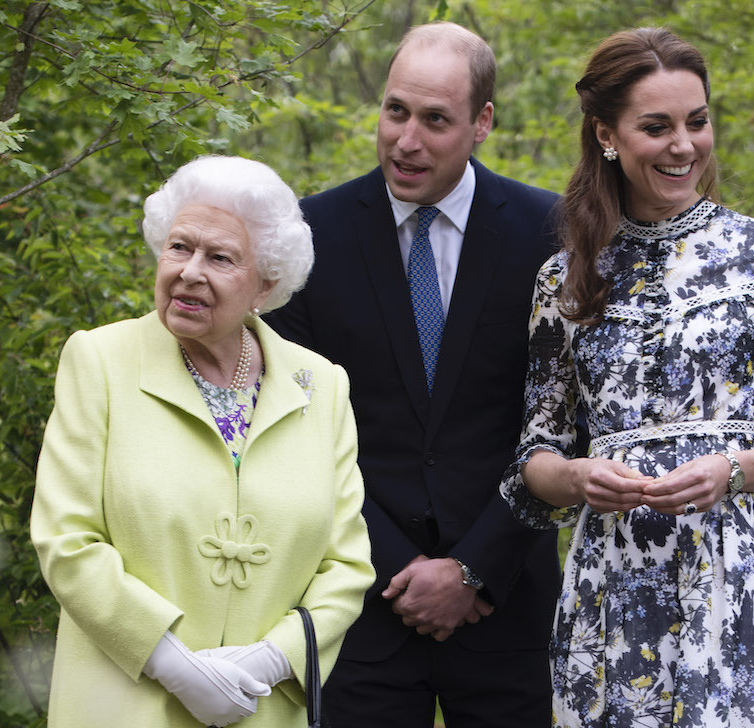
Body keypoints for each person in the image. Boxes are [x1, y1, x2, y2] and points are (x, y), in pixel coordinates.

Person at [500, 28, 754, 727]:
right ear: (607, 135)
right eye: (656, 127)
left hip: (736, 572)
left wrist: (735, 469)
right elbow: (533, 456)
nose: (684, 145)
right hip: (614, 583)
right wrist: (576, 478)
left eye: (697, 121)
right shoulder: (563, 278)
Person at [264, 21, 561, 728]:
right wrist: (404, 572)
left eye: (435, 120)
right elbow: (295, 429)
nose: (406, 139)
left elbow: (564, 421)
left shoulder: (551, 231)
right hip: (359, 601)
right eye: (396, 111)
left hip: (508, 600)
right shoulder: (309, 238)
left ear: (482, 121)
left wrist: (474, 570)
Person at [30, 156, 375, 727]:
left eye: (219, 257)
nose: (190, 272)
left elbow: (347, 564)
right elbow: (68, 541)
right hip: (126, 705)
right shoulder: (100, 361)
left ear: (266, 283)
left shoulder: (322, 385)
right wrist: (172, 662)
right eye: (179, 247)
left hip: (260, 706)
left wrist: (271, 661)